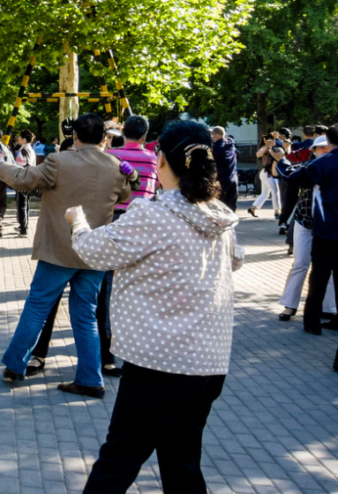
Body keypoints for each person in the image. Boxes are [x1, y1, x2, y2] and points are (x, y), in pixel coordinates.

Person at [74, 120, 244, 493]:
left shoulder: (154, 214)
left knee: (118, 460)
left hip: (160, 362)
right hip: (209, 363)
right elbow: (235, 261)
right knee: (182, 461)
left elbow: (94, 251)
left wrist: (78, 222)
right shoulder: (219, 215)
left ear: (161, 158)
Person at [0, 113, 132, 398]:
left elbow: (23, 180)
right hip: (94, 253)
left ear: (76, 136)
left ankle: (15, 364)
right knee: (86, 315)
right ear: (104, 138)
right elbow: (123, 196)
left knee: (37, 307)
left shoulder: (59, 161)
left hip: (59, 250)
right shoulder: (116, 165)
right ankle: (90, 379)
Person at [95, 115, 159, 377]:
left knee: (107, 291)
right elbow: (153, 193)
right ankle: (136, 351)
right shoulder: (154, 159)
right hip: (142, 226)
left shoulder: (110, 155)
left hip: (112, 223)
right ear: (145, 136)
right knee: (139, 289)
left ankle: (106, 355)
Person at [275, 127, 338, 340]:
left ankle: (313, 321)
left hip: (327, 229)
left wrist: (281, 160)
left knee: (319, 275)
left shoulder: (324, 163)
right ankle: (303, 311)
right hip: (315, 225)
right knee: (309, 267)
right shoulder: (320, 162)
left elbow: (293, 177)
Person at [250, 134, 281, 218]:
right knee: (275, 192)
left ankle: (253, 208)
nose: (275, 141)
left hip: (266, 173)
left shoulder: (275, 148)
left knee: (265, 193)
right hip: (267, 173)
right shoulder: (266, 148)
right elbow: (258, 154)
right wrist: (267, 146)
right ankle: (277, 211)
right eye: (273, 140)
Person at [13, 130, 37, 236]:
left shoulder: (24, 150)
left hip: (24, 178)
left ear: (24, 139)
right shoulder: (28, 148)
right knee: (25, 203)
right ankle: (23, 226)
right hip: (29, 178)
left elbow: (25, 164)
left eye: (19, 137)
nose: (18, 138)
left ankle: (24, 229)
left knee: (22, 204)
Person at [211, 126, 239, 211]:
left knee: (220, 208)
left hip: (221, 182)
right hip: (233, 180)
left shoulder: (216, 148)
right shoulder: (231, 144)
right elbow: (228, 139)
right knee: (231, 208)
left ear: (215, 135)